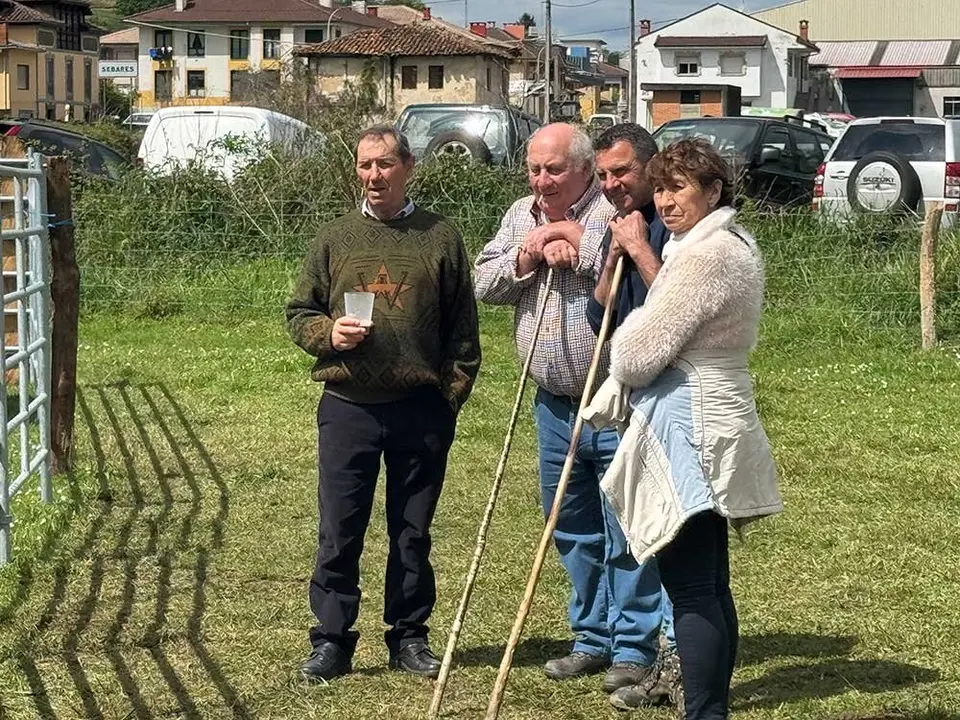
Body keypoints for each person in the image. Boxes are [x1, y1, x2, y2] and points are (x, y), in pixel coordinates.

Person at [583, 138, 783, 719]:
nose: (667, 202)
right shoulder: (726, 242)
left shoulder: (703, 256)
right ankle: (710, 707)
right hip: (715, 412)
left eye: (680, 189)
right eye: (662, 189)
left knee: (692, 585)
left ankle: (703, 713)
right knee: (710, 583)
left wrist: (634, 329)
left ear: (714, 191)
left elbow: (636, 357)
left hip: (693, 424)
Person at [474, 122, 670, 697]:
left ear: (584, 170)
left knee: (626, 527)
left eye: (554, 169)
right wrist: (530, 252)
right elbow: (486, 282)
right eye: (534, 169)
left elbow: (620, 252)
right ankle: (592, 636)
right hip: (554, 404)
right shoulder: (519, 214)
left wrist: (572, 240)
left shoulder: (617, 205)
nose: (541, 180)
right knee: (571, 524)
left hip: (615, 399)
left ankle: (635, 646)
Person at [285, 125, 482, 683]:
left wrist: (448, 402)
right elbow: (299, 312)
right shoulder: (333, 238)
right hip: (349, 406)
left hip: (420, 409)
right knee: (339, 528)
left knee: (412, 530)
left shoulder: (441, 237)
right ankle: (331, 640)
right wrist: (329, 334)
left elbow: (463, 332)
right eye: (365, 165)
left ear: (408, 167)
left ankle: (409, 635)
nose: (374, 175)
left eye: (384, 164)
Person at [588, 123, 681, 711]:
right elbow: (606, 300)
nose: (612, 183)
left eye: (620, 171)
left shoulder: (673, 227)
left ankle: (675, 653)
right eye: (602, 175)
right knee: (635, 520)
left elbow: (675, 304)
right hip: (631, 398)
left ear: (650, 167)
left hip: (672, 402)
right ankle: (645, 652)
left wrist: (640, 247)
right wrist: (615, 252)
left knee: (671, 528)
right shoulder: (619, 224)